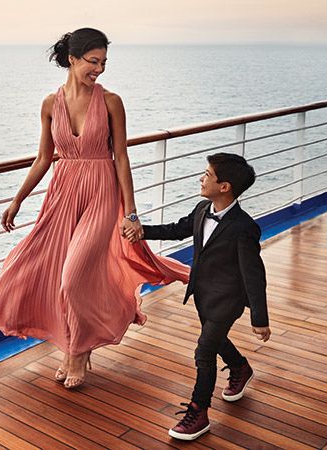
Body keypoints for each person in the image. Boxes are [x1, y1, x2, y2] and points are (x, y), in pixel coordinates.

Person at [0, 28, 190, 389]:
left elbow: (122, 159)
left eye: (103, 63)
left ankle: (78, 353)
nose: (99, 69)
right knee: (33, 268)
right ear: (72, 59)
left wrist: (131, 213)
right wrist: (17, 199)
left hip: (101, 194)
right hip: (63, 195)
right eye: (92, 61)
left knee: (73, 278)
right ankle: (71, 349)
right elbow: (43, 158)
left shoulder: (111, 101)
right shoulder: (51, 104)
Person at [131, 153, 270, 441]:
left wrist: (260, 318)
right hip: (202, 293)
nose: (201, 178)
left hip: (228, 299)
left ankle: (199, 412)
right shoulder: (201, 208)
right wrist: (142, 231)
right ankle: (240, 367)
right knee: (215, 339)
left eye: (207, 174)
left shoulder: (244, 228)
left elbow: (254, 275)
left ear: (225, 187)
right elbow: (176, 229)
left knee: (204, 351)